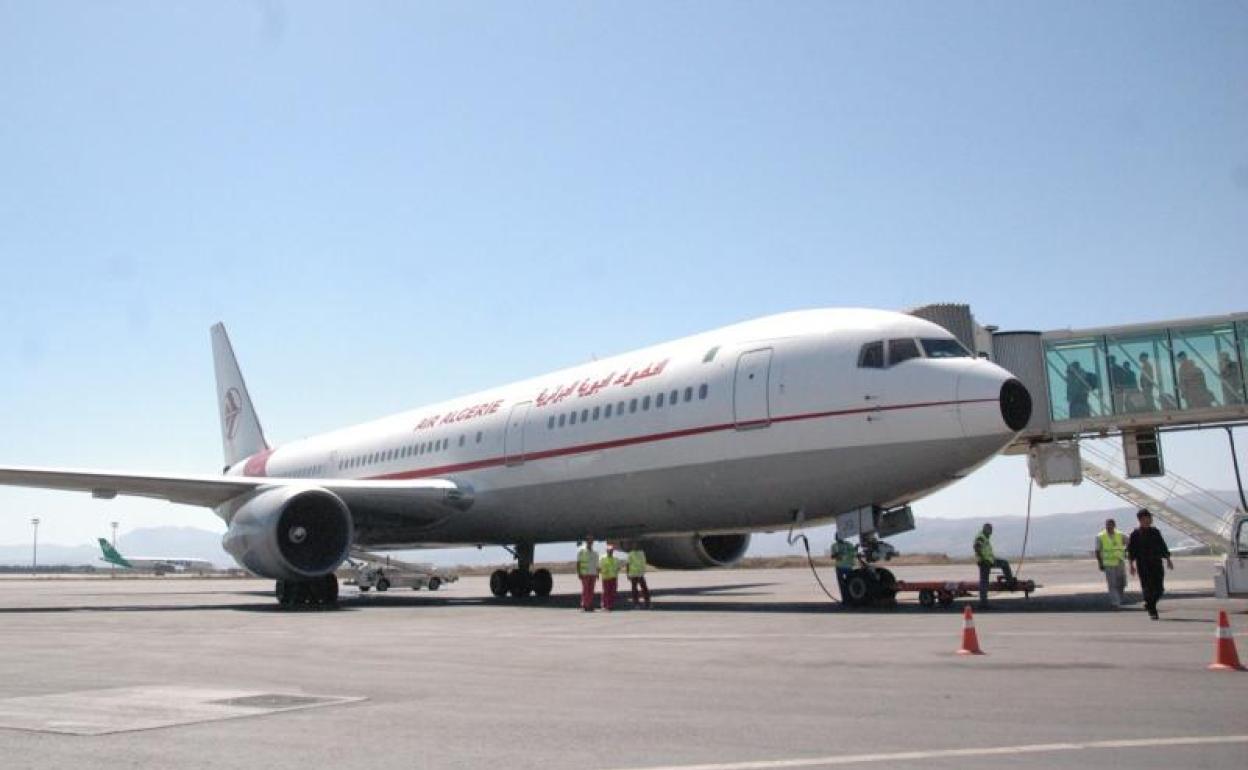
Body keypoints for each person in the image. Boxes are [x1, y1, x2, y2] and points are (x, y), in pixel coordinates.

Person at [1127, 508, 1173, 619]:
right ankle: (1152, 611)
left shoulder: (1155, 532)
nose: (1148, 520)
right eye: (1146, 518)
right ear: (1140, 520)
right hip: (1143, 564)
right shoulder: (1135, 534)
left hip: (1156, 563)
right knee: (1147, 587)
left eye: (1149, 518)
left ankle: (1149, 604)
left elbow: (1162, 546)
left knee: (1159, 589)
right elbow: (1131, 551)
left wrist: (1168, 559)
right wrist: (1131, 565)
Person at [973, 523, 1015, 607]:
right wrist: (983, 559)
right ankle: (983, 603)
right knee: (984, 582)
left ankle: (1010, 583)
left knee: (1005, 563)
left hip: (990, 561)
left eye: (991, 530)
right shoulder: (981, 537)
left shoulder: (985, 537)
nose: (991, 532)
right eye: (989, 530)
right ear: (985, 529)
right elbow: (976, 547)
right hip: (984, 562)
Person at [1095, 518, 1128, 607]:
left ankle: (1119, 598)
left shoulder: (1120, 535)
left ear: (1114, 525)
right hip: (1108, 563)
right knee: (1112, 584)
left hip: (1119, 562)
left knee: (1122, 583)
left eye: (1111, 525)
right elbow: (1097, 551)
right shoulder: (1100, 536)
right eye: (1107, 525)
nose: (1109, 526)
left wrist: (1126, 551)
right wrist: (1100, 563)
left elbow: (1130, 542)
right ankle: (1115, 602)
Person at [576, 536, 599, 612]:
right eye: (589, 540)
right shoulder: (581, 550)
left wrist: (597, 573)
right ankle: (584, 605)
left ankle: (590, 605)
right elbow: (578, 563)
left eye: (592, 540)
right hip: (585, 573)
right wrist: (579, 573)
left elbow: (596, 564)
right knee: (585, 590)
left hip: (593, 573)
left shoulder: (595, 552)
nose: (590, 542)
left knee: (591, 590)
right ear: (586, 541)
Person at [832, 534, 858, 600]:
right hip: (840, 567)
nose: (837, 539)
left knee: (850, 584)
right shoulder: (834, 546)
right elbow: (833, 556)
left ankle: (850, 598)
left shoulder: (849, 545)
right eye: (837, 537)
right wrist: (836, 555)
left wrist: (856, 549)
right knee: (842, 585)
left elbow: (854, 553)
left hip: (848, 567)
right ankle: (845, 599)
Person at [599, 543, 621, 611]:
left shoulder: (616, 558)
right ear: (606, 551)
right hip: (606, 578)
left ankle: (610, 605)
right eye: (609, 550)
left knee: (612, 592)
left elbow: (618, 567)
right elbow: (599, 567)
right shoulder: (602, 558)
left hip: (613, 577)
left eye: (611, 550)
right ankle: (604, 605)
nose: (610, 551)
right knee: (606, 592)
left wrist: (615, 572)